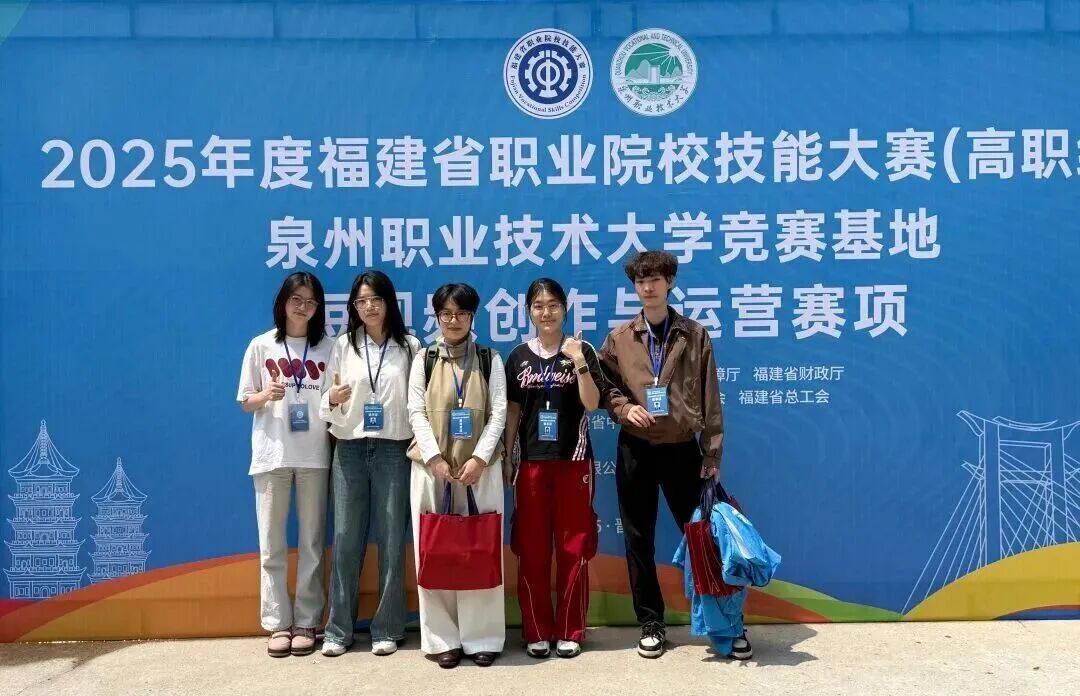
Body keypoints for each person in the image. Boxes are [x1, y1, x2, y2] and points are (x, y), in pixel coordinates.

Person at [597, 250, 751, 661]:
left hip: (683, 450)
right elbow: (605, 386)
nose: (647, 287)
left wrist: (712, 454)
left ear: (670, 283)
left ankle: (728, 624)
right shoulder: (620, 338)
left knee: (704, 538)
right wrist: (623, 408)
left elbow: (711, 397)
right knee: (638, 538)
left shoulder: (694, 335)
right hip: (635, 449)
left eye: (655, 279)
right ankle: (651, 622)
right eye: (640, 281)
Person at [319, 271, 422, 658]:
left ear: (389, 302)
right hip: (349, 448)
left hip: (394, 449)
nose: (369, 307)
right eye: (361, 301)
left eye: (375, 299)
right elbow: (325, 401)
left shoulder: (410, 346)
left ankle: (388, 627)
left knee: (393, 539)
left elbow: (419, 402)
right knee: (346, 539)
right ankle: (338, 630)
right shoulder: (343, 345)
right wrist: (332, 397)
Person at [407, 283, 507, 669]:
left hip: (480, 472)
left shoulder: (489, 359)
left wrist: (480, 458)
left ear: (472, 317)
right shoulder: (425, 358)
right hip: (432, 471)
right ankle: (442, 638)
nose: (454, 321)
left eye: (461, 313)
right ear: (437, 317)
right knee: (435, 550)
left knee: (480, 549)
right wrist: (434, 458)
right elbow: (415, 410)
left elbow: (499, 412)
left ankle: (483, 637)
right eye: (446, 314)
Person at [503, 278, 605, 659]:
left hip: (573, 463)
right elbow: (513, 411)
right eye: (538, 306)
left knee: (573, 549)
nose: (546, 313)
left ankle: (570, 630)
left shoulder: (582, 350)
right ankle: (535, 630)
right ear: (529, 311)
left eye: (553, 305)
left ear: (565, 308)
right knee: (531, 550)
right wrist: (507, 455)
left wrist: (578, 361)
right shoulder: (518, 357)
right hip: (531, 464)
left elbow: (592, 403)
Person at [237, 272, 332, 658]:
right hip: (271, 455)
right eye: (297, 299)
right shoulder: (261, 345)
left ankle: (307, 620)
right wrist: (265, 395)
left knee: (312, 543)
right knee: (272, 544)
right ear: (283, 302)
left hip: (315, 455)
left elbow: (335, 399)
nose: (303, 307)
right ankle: (277, 622)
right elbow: (245, 401)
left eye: (310, 301)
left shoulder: (328, 347)